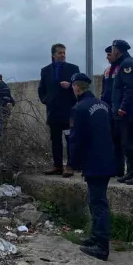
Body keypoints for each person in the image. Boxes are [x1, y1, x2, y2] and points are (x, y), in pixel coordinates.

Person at [66, 73, 116, 261]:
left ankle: (101, 245)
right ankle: (95, 236)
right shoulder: (104, 105)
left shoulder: (79, 108)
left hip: (93, 161)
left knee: (98, 202)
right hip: (107, 159)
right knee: (96, 199)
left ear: (77, 88)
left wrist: (73, 163)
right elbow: (114, 133)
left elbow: (76, 140)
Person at [38, 43, 80, 178]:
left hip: (68, 110)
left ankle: (70, 166)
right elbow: (41, 89)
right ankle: (57, 165)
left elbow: (81, 87)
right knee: (55, 140)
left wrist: (70, 86)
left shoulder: (73, 68)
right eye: (60, 53)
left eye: (64, 52)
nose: (62, 55)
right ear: (53, 55)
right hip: (53, 111)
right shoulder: (45, 70)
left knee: (70, 139)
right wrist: (46, 100)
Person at [108, 40, 133, 185]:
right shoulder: (124, 63)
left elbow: (130, 89)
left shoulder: (127, 64)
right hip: (126, 111)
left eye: (112, 49)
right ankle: (132, 171)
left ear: (116, 50)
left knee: (129, 143)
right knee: (126, 143)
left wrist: (122, 107)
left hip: (127, 112)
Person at [100, 45, 124, 179]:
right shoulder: (107, 71)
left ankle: (120, 168)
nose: (107, 58)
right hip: (108, 108)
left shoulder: (121, 69)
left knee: (120, 140)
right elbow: (104, 90)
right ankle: (112, 166)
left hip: (118, 109)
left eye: (109, 55)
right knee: (110, 139)